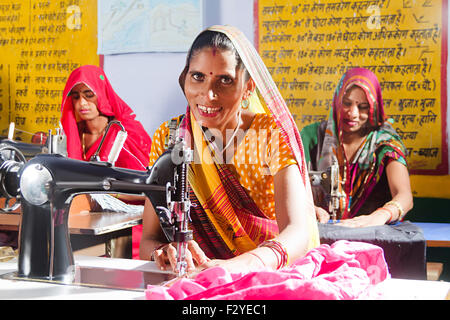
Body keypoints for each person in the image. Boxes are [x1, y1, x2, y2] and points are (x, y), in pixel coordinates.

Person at [140, 25, 319, 275]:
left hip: (266, 276)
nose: (208, 95)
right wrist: (162, 251)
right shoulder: (170, 137)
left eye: (225, 80)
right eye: (198, 77)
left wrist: (240, 266)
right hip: (196, 277)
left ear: (248, 88)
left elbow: (298, 232)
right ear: (185, 79)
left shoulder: (269, 135)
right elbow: (148, 238)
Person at [301, 67, 413, 227]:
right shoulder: (313, 137)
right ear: (337, 101)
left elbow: (405, 197)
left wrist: (380, 215)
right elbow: (288, 186)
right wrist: (308, 208)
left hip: (372, 235)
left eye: (363, 106)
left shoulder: (385, 143)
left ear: (374, 107)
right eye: (346, 103)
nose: (352, 113)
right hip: (319, 231)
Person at [60, 65, 152, 259]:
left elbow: (149, 189)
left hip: (130, 224)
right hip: (84, 219)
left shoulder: (125, 133)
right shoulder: (72, 136)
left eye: (88, 95)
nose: (82, 103)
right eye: (75, 97)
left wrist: (105, 194)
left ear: (102, 94)